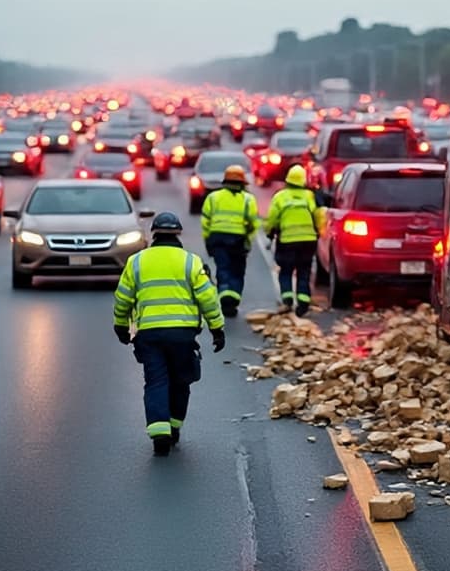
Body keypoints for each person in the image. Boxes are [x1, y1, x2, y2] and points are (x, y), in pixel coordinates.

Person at [113, 211, 226, 456]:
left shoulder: (137, 261)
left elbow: (123, 298)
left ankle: (159, 433)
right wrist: (217, 329)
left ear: (154, 234)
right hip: (183, 335)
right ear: (178, 234)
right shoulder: (191, 262)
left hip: (150, 335)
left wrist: (120, 325)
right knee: (181, 380)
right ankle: (173, 427)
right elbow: (208, 298)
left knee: (156, 381)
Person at [201, 164, 259, 318]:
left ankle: (224, 296)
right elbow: (253, 223)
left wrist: (207, 240)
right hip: (238, 240)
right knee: (237, 270)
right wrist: (248, 240)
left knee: (223, 268)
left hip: (217, 238)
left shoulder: (213, 198)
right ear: (242, 183)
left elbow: (205, 221)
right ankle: (233, 299)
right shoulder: (248, 200)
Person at [264, 164, 322, 316]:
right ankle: (303, 302)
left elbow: (272, 218)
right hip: (308, 241)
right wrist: (319, 231)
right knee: (304, 271)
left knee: (286, 271)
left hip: (287, 241)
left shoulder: (280, 196)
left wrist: (269, 232)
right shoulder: (309, 196)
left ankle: (287, 299)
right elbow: (318, 215)